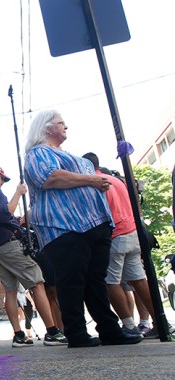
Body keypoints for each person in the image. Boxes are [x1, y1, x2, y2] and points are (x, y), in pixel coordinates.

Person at [23, 110, 142, 348]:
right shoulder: (38, 153)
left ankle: (109, 329)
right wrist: (91, 180)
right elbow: (50, 178)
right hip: (63, 226)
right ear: (47, 128)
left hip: (94, 225)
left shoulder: (69, 156)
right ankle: (76, 332)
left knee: (95, 279)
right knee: (72, 280)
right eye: (61, 123)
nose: (66, 126)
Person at [0, 163, 68, 347]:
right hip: (8, 244)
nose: (3, 183)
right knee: (37, 283)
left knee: (10, 290)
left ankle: (19, 336)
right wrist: (18, 193)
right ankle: (52, 332)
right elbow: (5, 213)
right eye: (2, 178)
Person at [82, 152, 150, 338]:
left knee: (110, 282)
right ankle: (159, 322)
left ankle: (128, 325)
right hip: (132, 231)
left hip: (115, 235)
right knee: (139, 279)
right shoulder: (116, 180)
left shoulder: (94, 182)